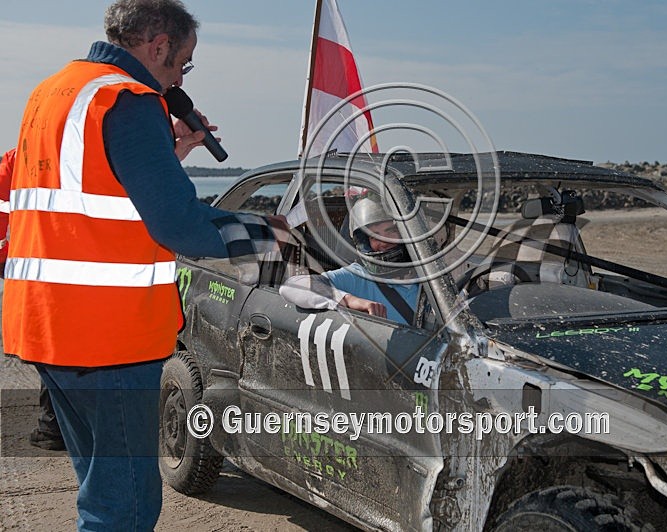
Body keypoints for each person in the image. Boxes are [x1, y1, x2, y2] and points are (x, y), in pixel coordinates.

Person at [2, 1, 287, 530]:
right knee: (125, 506)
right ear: (158, 46)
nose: (180, 77)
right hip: (107, 337)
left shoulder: (54, 92)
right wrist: (268, 232)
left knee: (100, 490)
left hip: (46, 326)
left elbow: (89, 197)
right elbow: (179, 225)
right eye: (183, 64)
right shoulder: (129, 101)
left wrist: (166, 156)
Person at [1, 148, 66, 450]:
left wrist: (6, 261)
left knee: (51, 349)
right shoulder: (102, 149)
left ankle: (53, 427)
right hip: (97, 272)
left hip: (38, 269)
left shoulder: (18, 158)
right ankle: (58, 426)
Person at [280, 196, 419, 325]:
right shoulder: (358, 276)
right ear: (365, 242)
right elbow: (292, 286)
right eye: (374, 236)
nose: (384, 241)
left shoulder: (428, 272)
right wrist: (349, 300)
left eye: (391, 231)